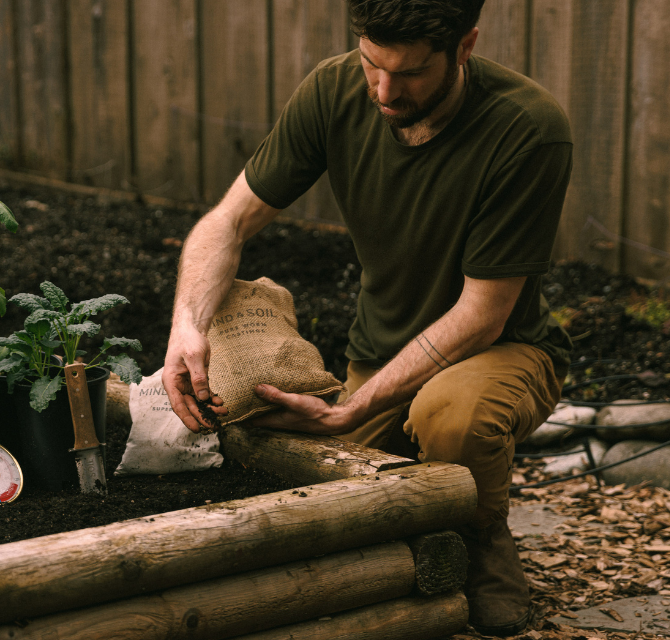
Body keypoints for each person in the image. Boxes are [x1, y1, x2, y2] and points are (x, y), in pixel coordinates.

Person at [162, 0, 573, 636]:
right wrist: (186, 325)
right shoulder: (331, 90)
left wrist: (354, 409)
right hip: (378, 353)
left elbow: (482, 314)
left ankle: (485, 538)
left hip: (499, 350)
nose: (383, 91)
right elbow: (229, 220)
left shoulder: (527, 128)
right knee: (305, 491)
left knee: (450, 417)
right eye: (369, 64)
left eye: (406, 74)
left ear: (463, 48)